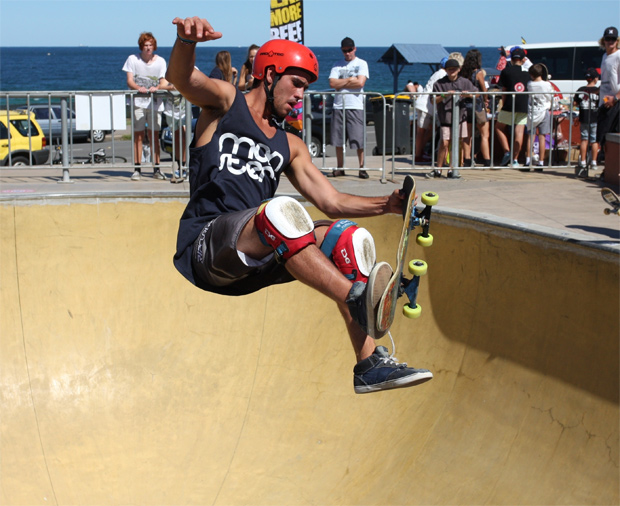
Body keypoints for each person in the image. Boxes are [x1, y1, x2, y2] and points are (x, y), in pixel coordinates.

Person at [166, 16, 433, 394]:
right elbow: (183, 79)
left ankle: (369, 364)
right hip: (209, 245)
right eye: (297, 84)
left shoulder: (291, 145)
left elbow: (332, 200)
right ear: (270, 74)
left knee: (346, 240)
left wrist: (388, 204)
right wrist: (184, 41)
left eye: (306, 89)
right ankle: (358, 299)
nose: (300, 96)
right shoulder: (226, 104)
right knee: (280, 212)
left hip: (259, 254)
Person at [122, 31, 169, 181]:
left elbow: (163, 81)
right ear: (141, 47)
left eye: (150, 45)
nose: (148, 48)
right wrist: (138, 88)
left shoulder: (160, 61)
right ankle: (137, 168)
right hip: (138, 103)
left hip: (155, 104)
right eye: (145, 45)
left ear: (154, 46)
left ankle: (157, 168)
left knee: (155, 135)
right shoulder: (132, 59)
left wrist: (158, 88)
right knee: (138, 135)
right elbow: (129, 80)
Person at [426, 58, 476, 179]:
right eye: (449, 69)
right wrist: (445, 94)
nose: (452, 71)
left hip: (460, 117)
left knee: (456, 143)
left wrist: (466, 94)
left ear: (459, 70)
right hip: (445, 118)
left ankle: (452, 169)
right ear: (446, 70)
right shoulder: (439, 83)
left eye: (454, 69)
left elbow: (477, 93)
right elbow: (433, 100)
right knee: (444, 142)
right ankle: (438, 168)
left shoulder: (465, 82)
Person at [328, 37, 370, 179]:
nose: (347, 53)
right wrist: (349, 80)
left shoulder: (362, 64)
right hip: (339, 105)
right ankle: (340, 167)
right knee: (338, 139)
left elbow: (360, 83)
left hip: (355, 105)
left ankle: (362, 167)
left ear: (354, 49)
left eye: (350, 50)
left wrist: (343, 83)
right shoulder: (336, 65)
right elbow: (332, 83)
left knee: (358, 138)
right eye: (345, 51)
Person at [495, 47, 531, 168]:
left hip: (509, 104)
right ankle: (515, 159)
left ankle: (507, 151)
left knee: (499, 127)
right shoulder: (528, 73)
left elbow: (504, 91)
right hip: (524, 105)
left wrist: (502, 105)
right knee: (519, 132)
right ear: (523, 59)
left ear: (512, 59)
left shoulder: (506, 71)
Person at [460, 49, 491, 167]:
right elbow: (483, 88)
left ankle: (467, 159)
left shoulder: (463, 72)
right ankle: (487, 160)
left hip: (465, 105)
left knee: (467, 135)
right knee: (484, 134)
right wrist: (486, 99)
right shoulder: (478, 72)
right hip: (477, 105)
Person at [524, 63, 554, 172]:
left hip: (532, 112)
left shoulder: (529, 84)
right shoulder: (546, 85)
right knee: (542, 137)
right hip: (543, 111)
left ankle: (528, 161)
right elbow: (550, 96)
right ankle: (541, 162)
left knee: (530, 137)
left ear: (531, 74)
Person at [597, 26, 620, 164]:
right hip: (604, 102)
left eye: (613, 39)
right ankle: (608, 168)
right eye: (607, 39)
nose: (610, 41)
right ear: (603, 40)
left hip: (616, 103)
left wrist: (616, 98)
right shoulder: (605, 56)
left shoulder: (619, 56)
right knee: (603, 137)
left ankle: (613, 168)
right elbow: (606, 80)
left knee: (614, 138)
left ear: (617, 41)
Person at [573, 68, 600, 175]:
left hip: (584, 117)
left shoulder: (580, 89)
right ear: (595, 79)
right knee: (594, 140)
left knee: (584, 139)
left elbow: (575, 103)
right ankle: (594, 161)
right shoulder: (598, 90)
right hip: (595, 117)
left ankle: (583, 161)